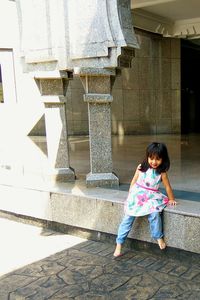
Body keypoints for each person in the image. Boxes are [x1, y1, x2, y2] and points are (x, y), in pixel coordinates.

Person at [114, 142, 176, 257]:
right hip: (138, 195)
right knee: (128, 217)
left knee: (155, 214)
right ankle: (119, 243)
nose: (154, 162)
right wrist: (130, 196)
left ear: (163, 159)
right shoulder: (141, 167)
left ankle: (158, 236)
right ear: (147, 157)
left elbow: (167, 186)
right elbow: (133, 181)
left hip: (152, 196)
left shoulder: (162, 173)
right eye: (151, 158)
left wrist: (171, 198)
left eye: (158, 159)